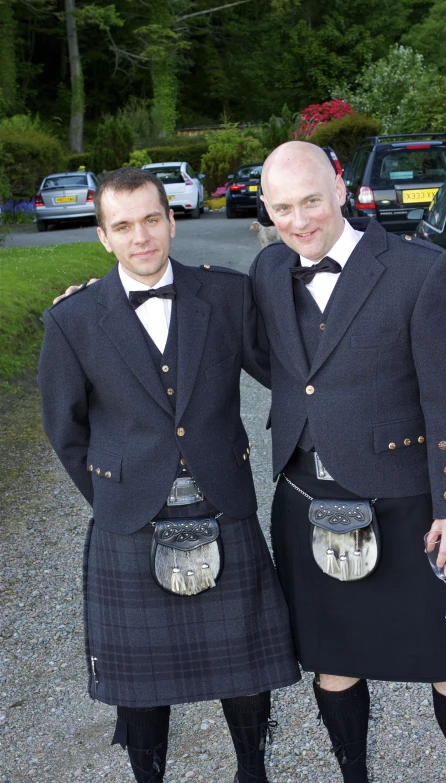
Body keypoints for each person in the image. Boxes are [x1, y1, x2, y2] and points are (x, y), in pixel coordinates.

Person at [38, 167, 300, 783]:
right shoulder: (72, 321)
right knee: (140, 680)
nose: (141, 237)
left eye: (151, 219)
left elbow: (291, 379)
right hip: (131, 519)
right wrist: (118, 494)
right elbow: (65, 432)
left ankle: (252, 770)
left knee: (245, 665)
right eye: (123, 225)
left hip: (222, 504)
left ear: (172, 220)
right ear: (102, 236)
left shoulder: (229, 297)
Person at [248, 141, 446, 783]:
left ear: (339, 188)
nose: (300, 221)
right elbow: (257, 353)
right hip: (306, 498)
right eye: (282, 209)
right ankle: (353, 773)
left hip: (403, 498)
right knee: (335, 659)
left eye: (310, 201)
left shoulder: (418, 271)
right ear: (266, 210)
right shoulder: (269, 271)